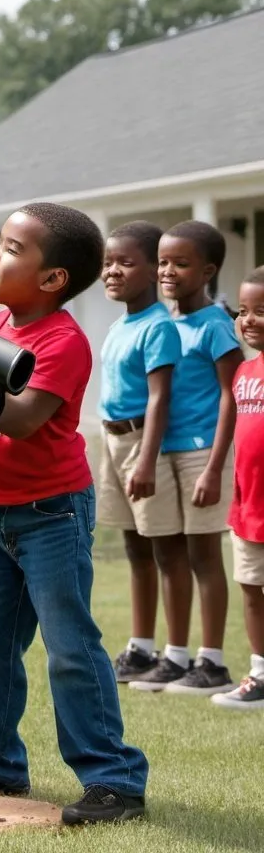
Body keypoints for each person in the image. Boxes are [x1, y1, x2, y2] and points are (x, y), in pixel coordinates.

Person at [0, 203, 148, 826]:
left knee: (71, 648)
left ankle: (114, 779)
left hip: (51, 517)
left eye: (11, 248)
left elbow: (20, 417)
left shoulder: (62, 342)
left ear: (52, 280)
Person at [129, 221, 242, 696]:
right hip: (167, 451)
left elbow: (229, 396)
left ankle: (211, 662)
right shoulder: (168, 324)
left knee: (202, 554)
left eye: (181, 263)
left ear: (208, 270)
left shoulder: (217, 324)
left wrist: (216, 467)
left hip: (201, 454)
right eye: (163, 262)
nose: (167, 271)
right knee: (168, 552)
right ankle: (175, 656)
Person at [96, 222, 181, 682]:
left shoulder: (158, 327)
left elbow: (159, 397)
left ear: (153, 270)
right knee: (134, 547)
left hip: (143, 442)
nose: (112, 271)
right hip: (112, 440)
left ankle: (178, 654)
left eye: (125, 263)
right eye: (109, 263)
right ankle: (141, 648)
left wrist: (146, 460)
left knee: (165, 548)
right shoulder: (119, 323)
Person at [211, 268, 264, 709]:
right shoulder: (245, 371)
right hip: (248, 507)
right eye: (243, 311)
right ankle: (260, 674)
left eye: (261, 311)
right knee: (250, 587)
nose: (248, 320)